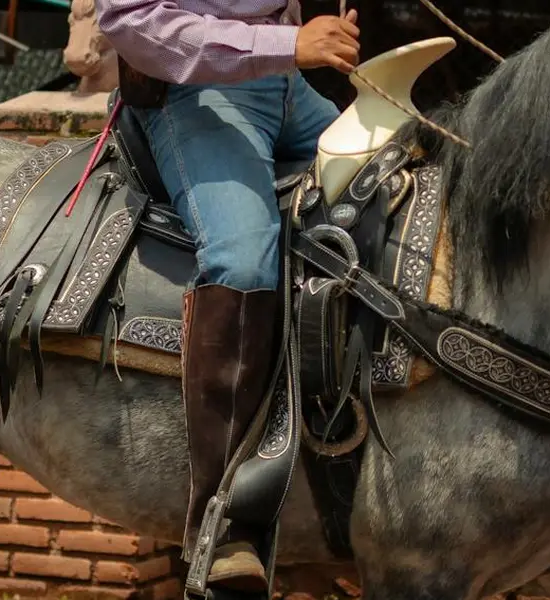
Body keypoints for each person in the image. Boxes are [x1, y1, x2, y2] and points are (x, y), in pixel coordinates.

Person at [94, 0, 361, 592]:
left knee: (406, 185)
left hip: (291, 92)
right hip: (195, 97)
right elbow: (126, 20)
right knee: (242, 261)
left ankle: (356, 488)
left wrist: (306, 45)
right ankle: (226, 521)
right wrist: (289, 47)